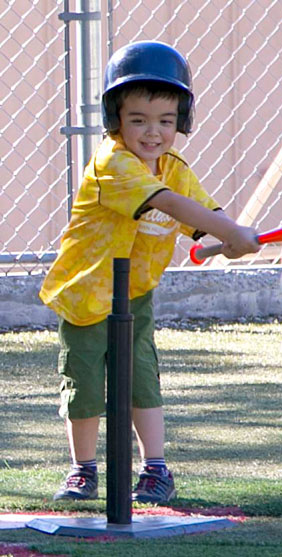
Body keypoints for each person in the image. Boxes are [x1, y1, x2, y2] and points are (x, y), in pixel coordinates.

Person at [39, 40, 259, 504]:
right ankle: (83, 469)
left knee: (141, 377)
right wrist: (233, 230)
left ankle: (156, 469)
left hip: (135, 293)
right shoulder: (112, 164)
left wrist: (229, 244)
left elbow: (198, 216)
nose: (152, 132)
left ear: (181, 121)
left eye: (164, 120)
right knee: (84, 383)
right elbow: (169, 204)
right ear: (116, 120)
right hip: (86, 294)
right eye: (138, 119)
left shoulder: (174, 167)